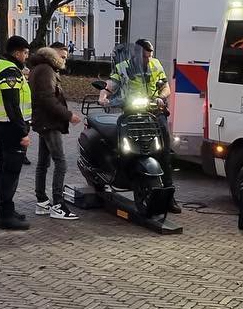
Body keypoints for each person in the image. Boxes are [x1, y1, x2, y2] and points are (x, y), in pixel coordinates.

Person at [99, 38, 179, 213]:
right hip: (132, 111)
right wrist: (103, 95)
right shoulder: (124, 67)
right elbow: (111, 84)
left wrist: (162, 97)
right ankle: (124, 176)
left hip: (154, 112)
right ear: (136, 53)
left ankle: (170, 197)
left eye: (150, 55)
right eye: (144, 56)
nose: (148, 59)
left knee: (163, 152)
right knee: (125, 147)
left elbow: (166, 87)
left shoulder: (155, 64)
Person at [29, 41, 81, 220]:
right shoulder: (46, 70)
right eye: (63, 56)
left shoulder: (41, 68)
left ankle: (42, 201)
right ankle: (58, 204)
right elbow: (48, 99)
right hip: (49, 123)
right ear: (54, 54)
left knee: (43, 163)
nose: (65, 60)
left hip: (44, 121)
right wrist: (68, 115)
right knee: (61, 162)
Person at [0, 35, 33, 229]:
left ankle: (6, 209)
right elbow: (12, 106)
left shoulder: (1, 67)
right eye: (25, 53)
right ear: (17, 52)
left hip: (2, 126)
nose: (26, 56)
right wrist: (23, 132)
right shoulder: (9, 71)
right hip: (11, 127)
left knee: (3, 168)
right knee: (10, 171)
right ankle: (6, 215)